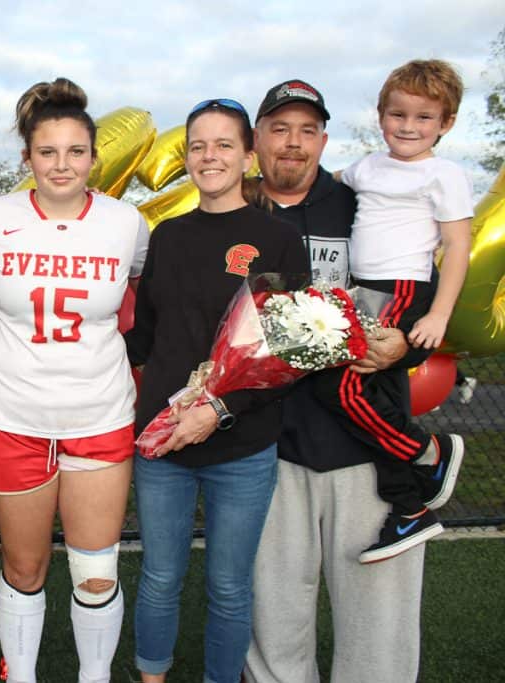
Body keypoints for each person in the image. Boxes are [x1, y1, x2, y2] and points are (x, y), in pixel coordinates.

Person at [244, 79, 430, 683]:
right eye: (279, 128)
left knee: (380, 622)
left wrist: (402, 346)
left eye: (306, 130)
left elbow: (423, 300)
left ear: (324, 139)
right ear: (256, 139)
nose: (293, 144)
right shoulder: (234, 211)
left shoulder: (367, 202)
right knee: (272, 618)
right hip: (268, 447)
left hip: (364, 444)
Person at [125, 98, 308, 683]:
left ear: (248, 155)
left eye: (224, 144)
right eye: (198, 145)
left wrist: (220, 408)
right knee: (159, 576)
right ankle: (151, 675)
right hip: (163, 441)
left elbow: (287, 356)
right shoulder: (168, 235)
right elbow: (147, 338)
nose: (210, 156)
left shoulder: (278, 241)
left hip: (243, 447)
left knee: (229, 585)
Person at [0, 77, 149, 683]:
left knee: (95, 572)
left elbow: (140, 306)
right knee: (24, 569)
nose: (61, 164)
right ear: (27, 158)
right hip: (13, 418)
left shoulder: (127, 223)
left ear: (94, 156)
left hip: (98, 415)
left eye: (75, 151)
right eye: (47, 152)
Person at [310, 59, 471, 563]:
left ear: (445, 124)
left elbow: (458, 247)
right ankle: (408, 508)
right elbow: (329, 183)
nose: (408, 126)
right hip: (362, 289)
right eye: (397, 114)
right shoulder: (367, 166)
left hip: (404, 286)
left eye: (423, 118)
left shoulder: (444, 174)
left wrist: (439, 316)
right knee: (378, 398)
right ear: (381, 116)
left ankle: (430, 452)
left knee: (338, 385)